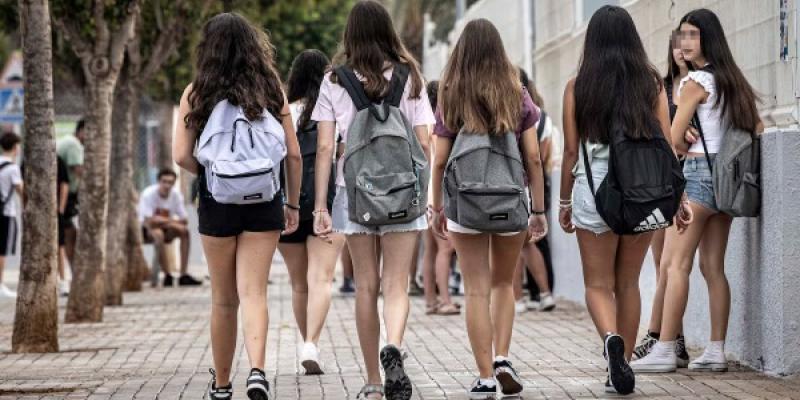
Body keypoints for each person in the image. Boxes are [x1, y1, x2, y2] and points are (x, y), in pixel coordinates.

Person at [558, 6, 690, 395]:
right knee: (628, 283)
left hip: (594, 193)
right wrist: (677, 196)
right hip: (641, 193)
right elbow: (667, 145)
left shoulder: (577, 86)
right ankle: (625, 365)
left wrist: (564, 203)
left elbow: (569, 152)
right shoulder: (650, 83)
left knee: (597, 285)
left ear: (592, 41)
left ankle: (611, 339)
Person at [173, 12, 302, 400]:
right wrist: (292, 204)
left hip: (217, 202)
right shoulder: (271, 90)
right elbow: (293, 154)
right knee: (255, 292)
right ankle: (258, 372)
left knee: (223, 299)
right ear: (253, 47)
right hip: (264, 199)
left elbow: (181, 155)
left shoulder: (196, 92)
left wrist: (215, 174)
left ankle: (223, 384)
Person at [310, 2, 435, 399]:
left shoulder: (334, 80)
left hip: (355, 192)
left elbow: (326, 146)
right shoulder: (410, 76)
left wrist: (320, 207)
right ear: (388, 31)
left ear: (350, 35)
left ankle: (372, 380)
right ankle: (393, 345)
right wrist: (426, 192)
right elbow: (425, 142)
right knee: (396, 285)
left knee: (366, 286)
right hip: (402, 192)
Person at [631, 8, 762, 374]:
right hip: (728, 180)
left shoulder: (695, 83)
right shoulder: (732, 81)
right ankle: (717, 350)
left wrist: (684, 136)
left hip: (700, 178)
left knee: (675, 264)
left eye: (692, 35)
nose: (685, 42)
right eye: (681, 35)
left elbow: (672, 135)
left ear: (707, 39)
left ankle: (667, 348)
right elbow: (757, 125)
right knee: (712, 267)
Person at [430, 19, 548, 399]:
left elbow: (438, 160)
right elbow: (532, 157)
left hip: (465, 204)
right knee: (503, 283)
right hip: (510, 201)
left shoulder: (452, 94)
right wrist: (539, 209)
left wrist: (437, 206)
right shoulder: (517, 94)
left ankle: (483, 377)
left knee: (476, 289)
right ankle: (502, 358)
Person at [278, 49, 346, 375]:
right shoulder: (333, 111)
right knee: (321, 278)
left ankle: (306, 341)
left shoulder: (283, 113)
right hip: (329, 203)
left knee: (297, 284)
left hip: (287, 204)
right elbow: (340, 156)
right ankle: (311, 345)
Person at [632, 29, 694, 366]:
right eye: (676, 45)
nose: (682, 50)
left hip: (690, 179)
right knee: (661, 264)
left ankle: (661, 337)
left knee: (673, 265)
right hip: (660, 181)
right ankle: (671, 337)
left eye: (688, 43)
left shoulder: (701, 86)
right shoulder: (663, 88)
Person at [513, 69, 556, 313]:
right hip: (534, 184)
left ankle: (517, 298)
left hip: (512, 182)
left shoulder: (505, 106)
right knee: (529, 244)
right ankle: (545, 293)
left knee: (514, 245)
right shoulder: (543, 117)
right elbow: (541, 156)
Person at [420, 80, 459, 316]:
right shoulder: (441, 125)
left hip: (423, 193)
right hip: (437, 194)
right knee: (446, 247)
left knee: (430, 250)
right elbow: (441, 163)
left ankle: (430, 300)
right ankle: (445, 299)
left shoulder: (421, 124)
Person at [138, 168, 202, 287]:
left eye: (170, 182)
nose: (167, 185)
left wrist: (165, 222)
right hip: (148, 230)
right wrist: (172, 221)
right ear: (158, 181)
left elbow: (184, 219)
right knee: (159, 234)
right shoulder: (148, 194)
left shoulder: (176, 195)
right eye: (164, 181)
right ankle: (167, 275)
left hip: (167, 228)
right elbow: (149, 221)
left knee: (184, 231)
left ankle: (183, 274)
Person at [57, 119, 85, 275]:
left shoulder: (67, 141)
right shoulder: (73, 144)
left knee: (69, 233)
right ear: (82, 130)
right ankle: (73, 273)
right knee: (69, 234)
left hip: (66, 195)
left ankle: (71, 272)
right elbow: (78, 169)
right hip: (65, 196)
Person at [0, 132, 22, 300]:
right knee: (2, 250)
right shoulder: (13, 168)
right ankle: (0, 285)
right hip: (6, 213)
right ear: (15, 147)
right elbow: (20, 190)